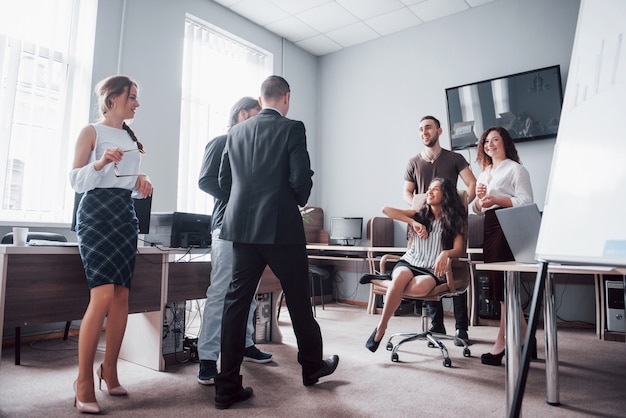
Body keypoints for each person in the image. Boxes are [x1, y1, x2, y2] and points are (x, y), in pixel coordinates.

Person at [215, 75, 339, 409]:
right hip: (281, 227)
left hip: (241, 228)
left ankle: (225, 386)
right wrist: (295, 198)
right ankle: (312, 368)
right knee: (299, 299)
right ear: (286, 97)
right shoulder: (292, 127)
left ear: (261, 97)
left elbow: (224, 180)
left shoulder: (236, 131)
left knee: (235, 303)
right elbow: (300, 179)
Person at [69, 75, 153, 413]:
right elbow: (76, 180)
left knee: (121, 297)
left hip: (124, 216)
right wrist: (101, 161)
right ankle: (83, 380)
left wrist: (142, 182)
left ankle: (110, 370)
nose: (136, 102)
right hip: (95, 215)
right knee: (102, 294)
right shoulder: (91, 131)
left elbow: (127, 185)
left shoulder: (132, 138)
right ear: (112, 97)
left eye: (136, 97)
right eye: (132, 96)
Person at [196, 97, 272, 386]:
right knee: (221, 291)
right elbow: (206, 180)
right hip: (226, 226)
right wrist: (241, 198)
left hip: (252, 229)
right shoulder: (221, 142)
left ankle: (245, 344)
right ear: (242, 114)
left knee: (248, 290)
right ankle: (207, 359)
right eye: (255, 116)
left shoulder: (252, 150)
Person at [361, 177, 467, 352]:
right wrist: (413, 222)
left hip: (431, 270)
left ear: (446, 194)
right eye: (429, 189)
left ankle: (383, 281)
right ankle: (381, 327)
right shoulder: (420, 214)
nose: (429, 192)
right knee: (401, 277)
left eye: (435, 189)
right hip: (410, 262)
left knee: (419, 289)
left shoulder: (454, 220)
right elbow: (385, 209)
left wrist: (445, 253)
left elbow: (458, 249)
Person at [402, 115, 476, 344]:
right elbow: (406, 192)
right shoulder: (414, 162)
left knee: (451, 269)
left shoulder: (455, 158)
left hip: (448, 224)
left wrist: (460, 207)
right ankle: (436, 324)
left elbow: (471, 184)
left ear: (439, 131)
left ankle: (461, 328)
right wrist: (416, 207)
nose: (424, 132)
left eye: (428, 128)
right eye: (421, 129)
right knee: (427, 270)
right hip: (424, 224)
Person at [471, 126, 535, 366]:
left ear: (505, 142)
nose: (490, 144)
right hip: (489, 225)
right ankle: (526, 338)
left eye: (495, 140)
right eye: (487, 141)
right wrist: (479, 199)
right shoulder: (485, 172)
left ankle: (502, 342)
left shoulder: (517, 169)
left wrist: (496, 198)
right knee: (500, 285)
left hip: (508, 225)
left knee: (502, 287)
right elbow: (477, 209)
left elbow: (526, 201)